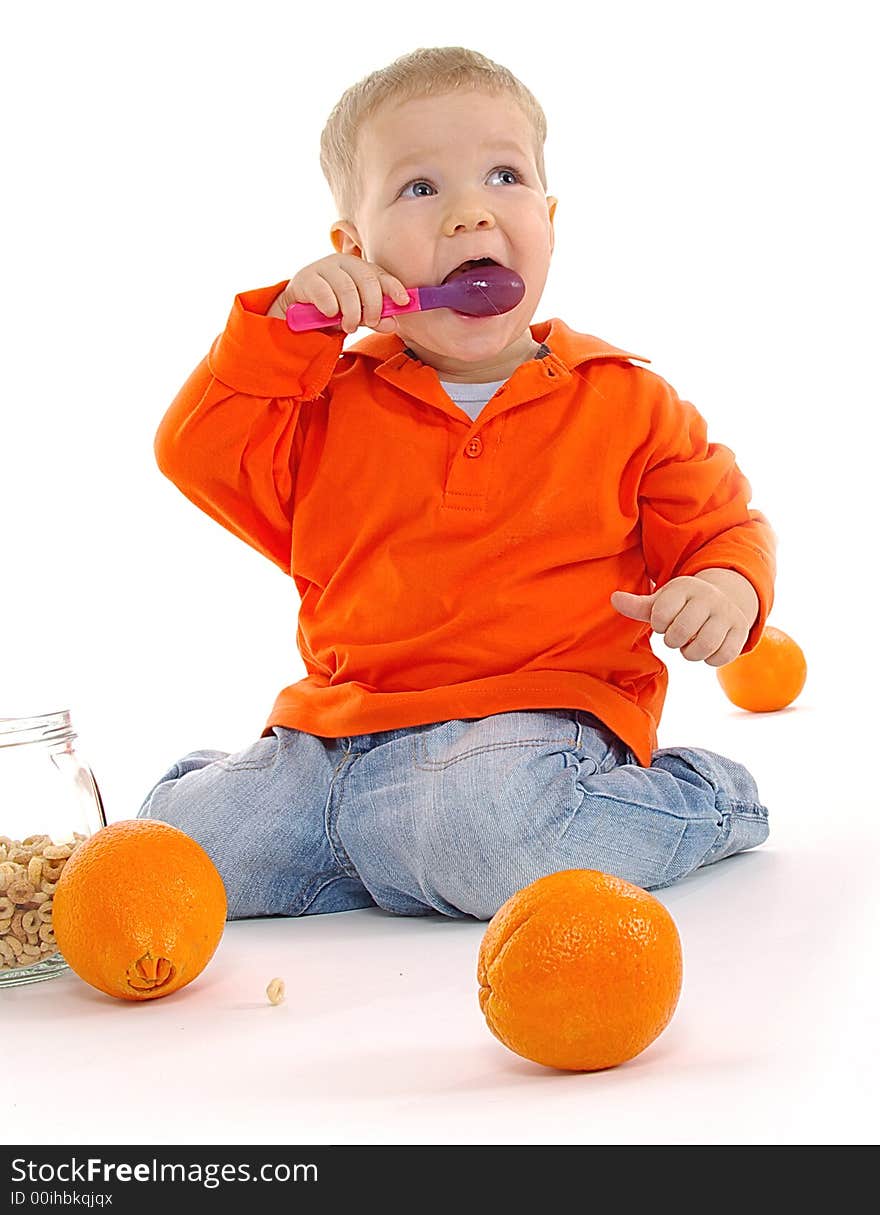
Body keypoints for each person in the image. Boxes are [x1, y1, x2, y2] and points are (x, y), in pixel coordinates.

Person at [137, 46, 776, 921]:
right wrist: (288, 331)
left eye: (504, 176)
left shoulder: (628, 400)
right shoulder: (320, 402)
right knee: (174, 852)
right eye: (421, 189)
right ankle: (382, 852)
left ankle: (707, 799)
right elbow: (194, 452)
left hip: (533, 732)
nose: (470, 214)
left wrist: (724, 586)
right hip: (334, 739)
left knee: (500, 832)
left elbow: (720, 527)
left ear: (548, 219)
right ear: (354, 251)